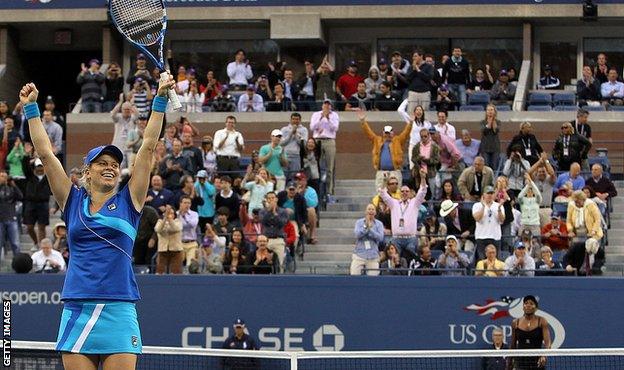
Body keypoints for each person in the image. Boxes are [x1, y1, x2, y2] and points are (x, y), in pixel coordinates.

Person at [21, 76, 173, 366]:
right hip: (78, 307)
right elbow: (45, 153)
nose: (110, 168)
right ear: (87, 171)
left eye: (114, 164)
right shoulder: (72, 199)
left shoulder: (131, 202)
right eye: (102, 163)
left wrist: (160, 100)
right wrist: (31, 109)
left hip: (120, 308)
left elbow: (148, 147)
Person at [379, 169, 428, 258]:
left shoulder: (415, 203)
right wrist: (385, 181)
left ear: (410, 193)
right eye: (402, 191)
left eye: (407, 191)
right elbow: (383, 193)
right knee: (395, 259)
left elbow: (423, 191)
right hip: (396, 238)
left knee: (411, 259)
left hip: (411, 239)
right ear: (399, 193)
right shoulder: (394, 203)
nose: (404, 193)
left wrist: (422, 178)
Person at [358, 110, 412, 189]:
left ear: (393, 133)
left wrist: (410, 123)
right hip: (381, 172)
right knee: (380, 194)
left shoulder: (398, 140)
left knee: (395, 195)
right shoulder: (377, 140)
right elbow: (368, 133)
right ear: (383, 133)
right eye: (386, 133)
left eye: (389, 133)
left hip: (395, 172)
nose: (388, 135)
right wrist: (363, 122)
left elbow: (406, 133)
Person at [509, 295, 551, 369]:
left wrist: (544, 356)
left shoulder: (541, 321)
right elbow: (513, 345)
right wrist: (509, 362)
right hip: (520, 362)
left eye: (531, 303)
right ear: (523, 307)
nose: (528, 305)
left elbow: (548, 343)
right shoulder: (515, 322)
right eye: (526, 303)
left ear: (536, 308)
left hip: (537, 361)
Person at [310, 99, 339, 197]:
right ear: (322, 105)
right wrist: (321, 118)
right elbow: (312, 127)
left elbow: (335, 128)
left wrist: (328, 118)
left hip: (329, 141)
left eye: (328, 105)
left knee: (329, 167)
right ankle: (317, 189)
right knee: (316, 165)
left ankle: (329, 191)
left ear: (331, 106)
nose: (326, 106)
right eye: (325, 104)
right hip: (317, 140)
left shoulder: (334, 115)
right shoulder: (316, 114)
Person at [472, 186, 506, 262]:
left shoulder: (498, 205)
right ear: (483, 195)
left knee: (496, 261)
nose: (490, 195)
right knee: (482, 261)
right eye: (488, 193)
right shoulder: (477, 205)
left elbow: (502, 220)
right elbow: (477, 218)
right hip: (481, 237)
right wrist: (483, 207)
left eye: (491, 193)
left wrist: (499, 209)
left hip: (495, 237)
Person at [351, 204, 384, 276]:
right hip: (359, 254)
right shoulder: (359, 222)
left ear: (375, 212)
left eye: (373, 209)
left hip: (373, 256)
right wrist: (366, 227)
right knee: (354, 275)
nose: (371, 211)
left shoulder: (379, 224)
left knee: (373, 278)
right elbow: (357, 235)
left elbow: (380, 238)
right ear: (366, 211)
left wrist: (370, 230)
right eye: (369, 209)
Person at [260, 192, 289, 272]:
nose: (271, 200)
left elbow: (282, 223)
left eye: (273, 198)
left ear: (276, 199)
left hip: (278, 239)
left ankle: (281, 275)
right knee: (264, 260)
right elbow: (263, 221)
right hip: (266, 240)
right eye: (269, 198)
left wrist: (275, 213)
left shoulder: (283, 211)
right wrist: (269, 211)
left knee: (281, 262)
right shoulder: (262, 211)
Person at [155, 204, 184, 274]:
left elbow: (175, 228)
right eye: (167, 213)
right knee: (160, 272)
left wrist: (170, 220)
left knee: (176, 272)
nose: (169, 215)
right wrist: (165, 219)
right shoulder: (160, 222)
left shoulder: (178, 222)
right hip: (163, 250)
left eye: (171, 213)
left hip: (176, 250)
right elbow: (157, 229)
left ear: (174, 215)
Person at [0, 170, 22, 257]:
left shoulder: (12, 188)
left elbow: (20, 197)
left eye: (4, 176)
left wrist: (14, 185)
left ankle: (18, 265)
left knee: (15, 244)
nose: (3, 178)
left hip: (11, 219)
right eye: (1, 176)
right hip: (0, 220)